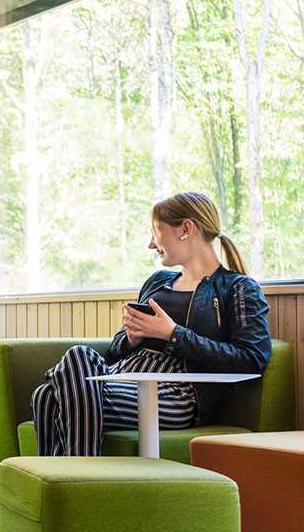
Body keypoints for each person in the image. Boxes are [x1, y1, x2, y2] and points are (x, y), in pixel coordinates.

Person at [31, 191, 271, 456]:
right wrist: (131, 338)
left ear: (186, 229)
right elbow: (116, 349)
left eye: (156, 231)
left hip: (176, 392)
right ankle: (78, 475)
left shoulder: (237, 287)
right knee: (79, 356)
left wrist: (173, 335)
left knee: (48, 396)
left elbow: (252, 357)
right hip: (123, 375)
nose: (150, 244)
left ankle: (75, 476)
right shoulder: (157, 281)